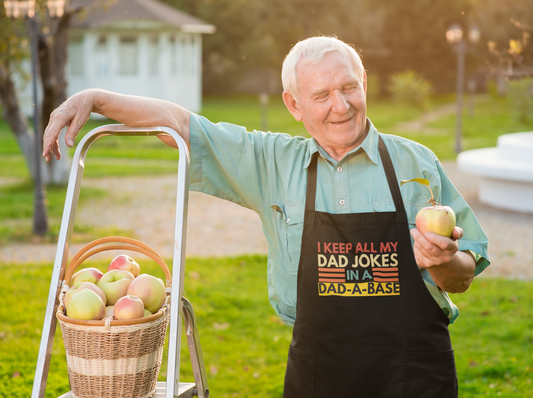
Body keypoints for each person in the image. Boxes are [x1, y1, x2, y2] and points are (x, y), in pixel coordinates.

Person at [43, 36, 489, 397]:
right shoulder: (269, 162)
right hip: (321, 373)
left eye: (349, 87)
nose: (342, 105)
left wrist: (444, 261)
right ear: (294, 105)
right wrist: (95, 97)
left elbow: (463, 274)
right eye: (321, 95)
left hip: (414, 374)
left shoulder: (416, 164)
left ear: (364, 83)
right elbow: (179, 124)